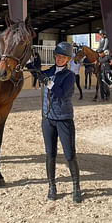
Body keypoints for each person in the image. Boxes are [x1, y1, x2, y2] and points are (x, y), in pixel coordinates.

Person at [39, 41, 82, 203]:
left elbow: (61, 94)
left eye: (63, 57)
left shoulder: (70, 76)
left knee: (69, 154)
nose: (59, 59)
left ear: (68, 59)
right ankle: (52, 186)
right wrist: (28, 63)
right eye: (57, 56)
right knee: (50, 154)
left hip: (64, 119)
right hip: (48, 119)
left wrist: (48, 82)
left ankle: (76, 187)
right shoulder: (50, 70)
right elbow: (38, 73)